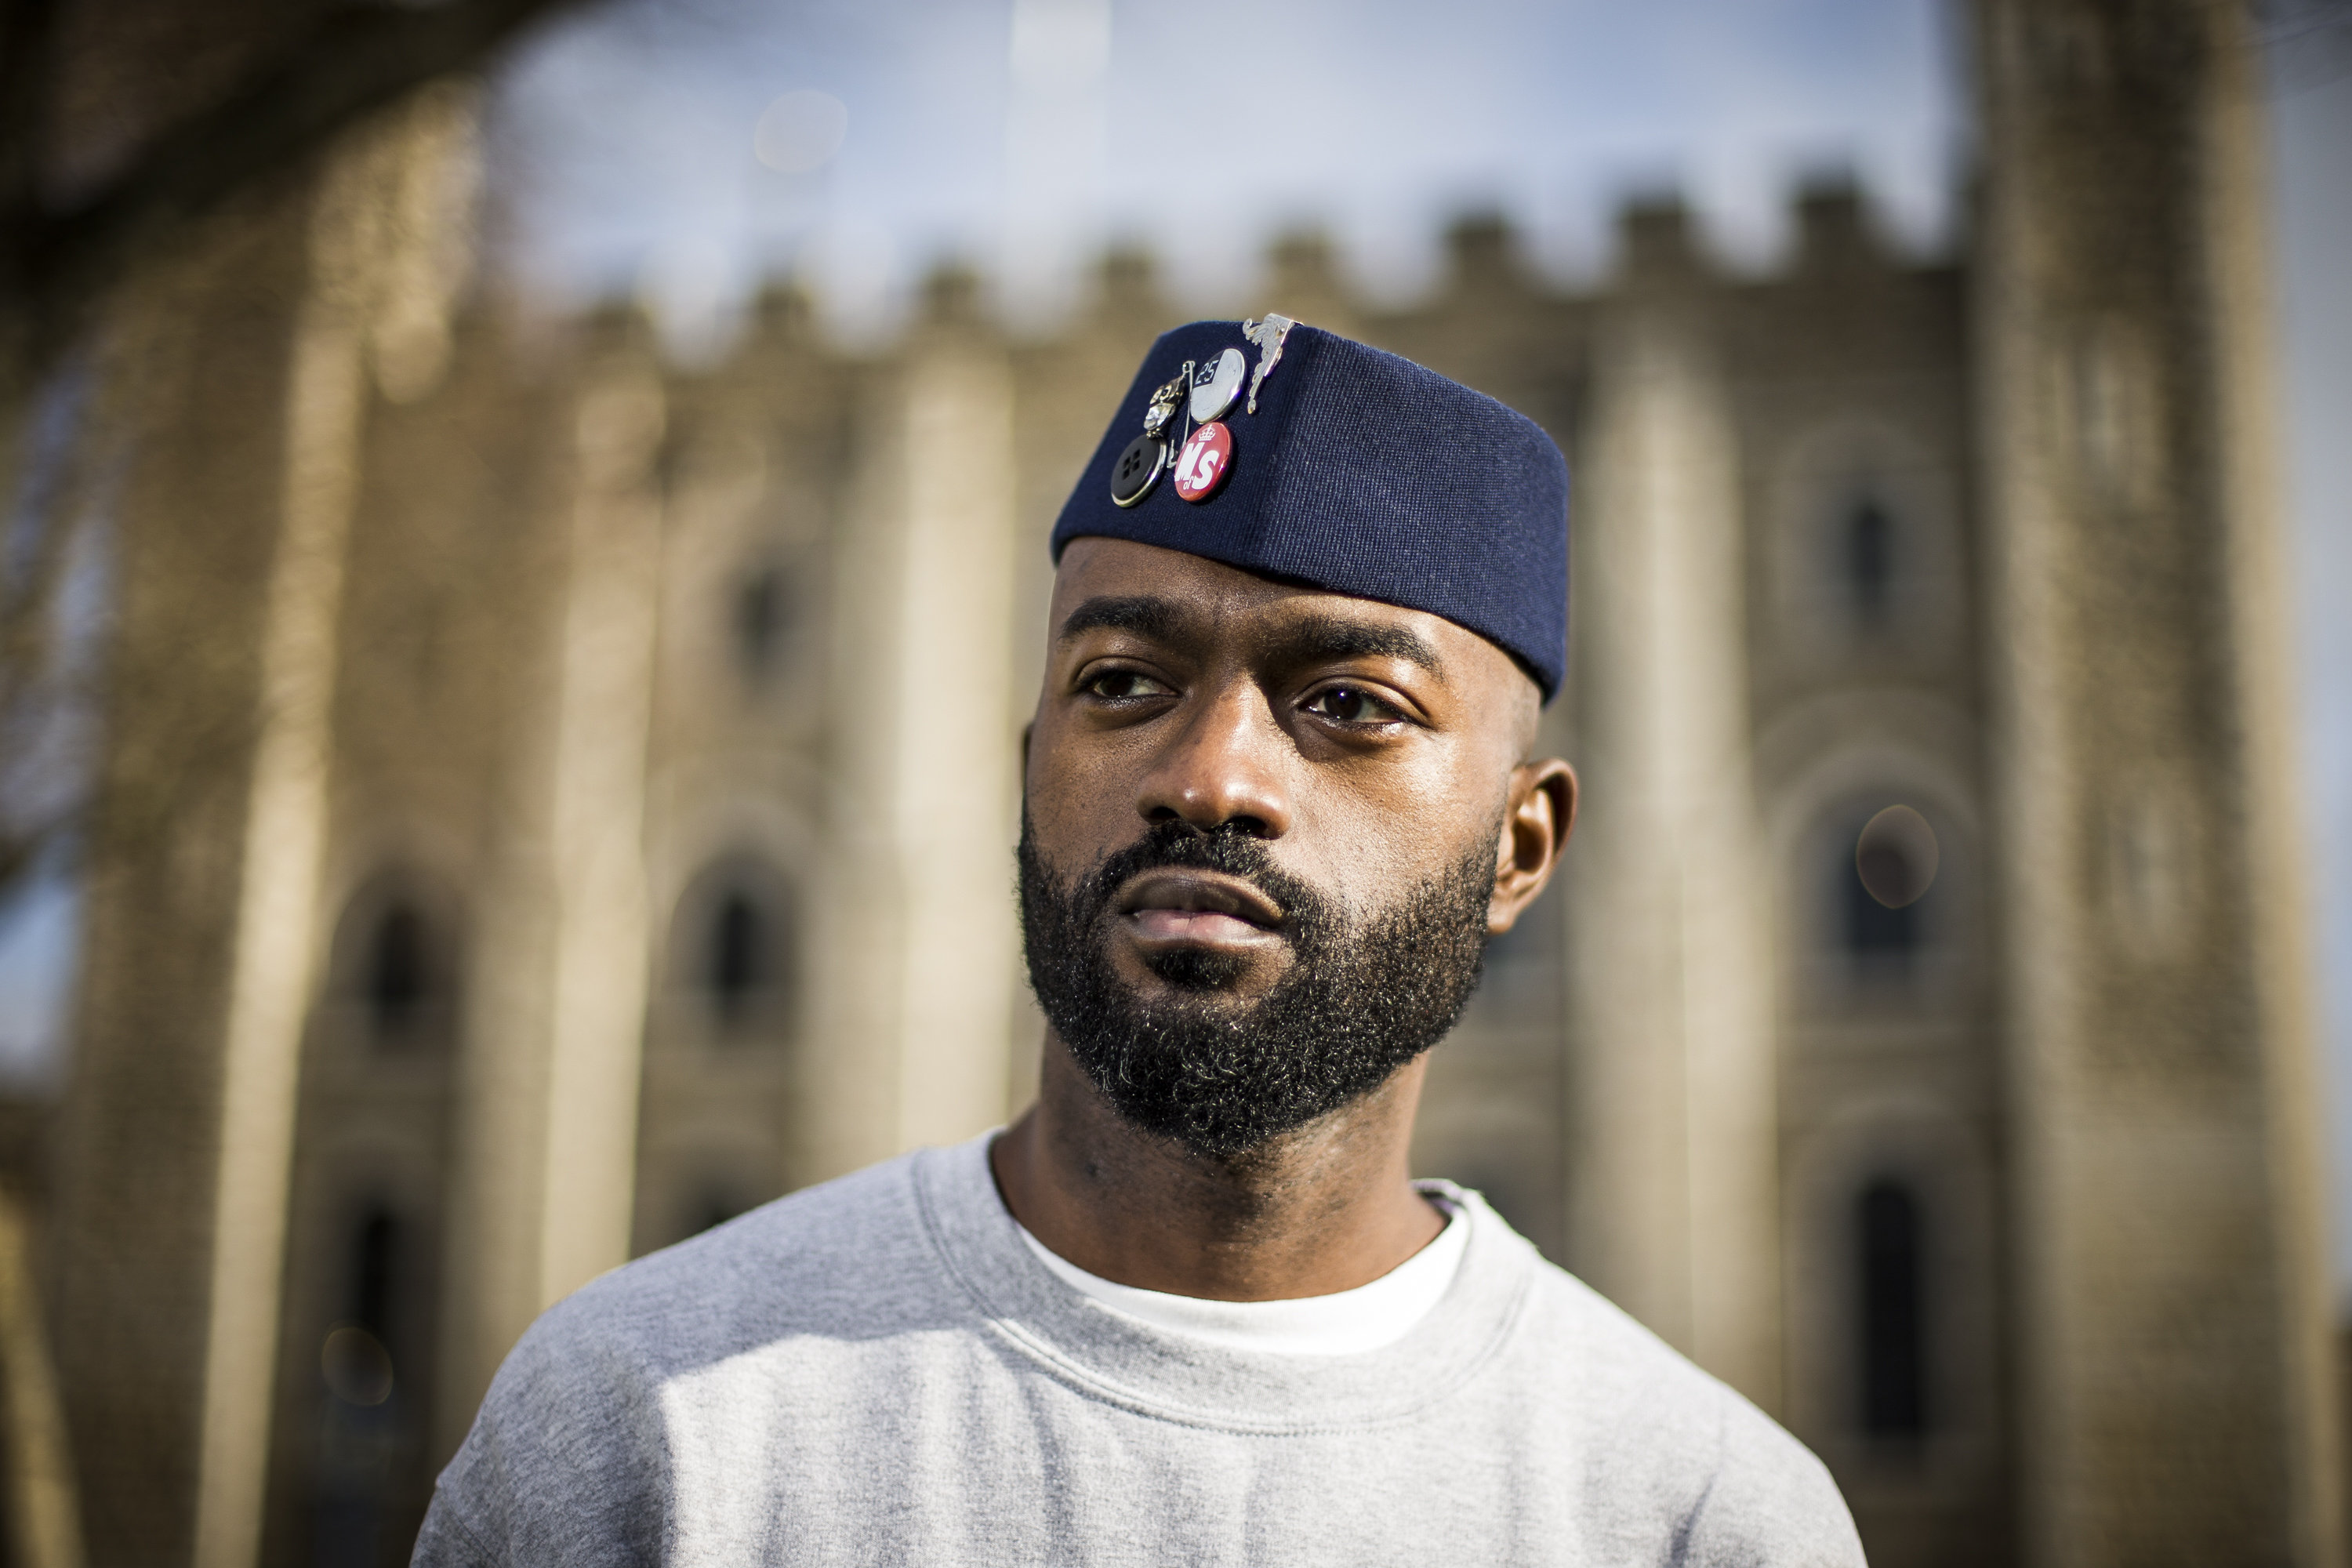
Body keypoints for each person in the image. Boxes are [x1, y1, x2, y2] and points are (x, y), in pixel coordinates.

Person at [414, 320, 1864, 1566]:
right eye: (1122, 680)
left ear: (1519, 848)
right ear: (1026, 767)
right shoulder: (639, 1425)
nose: (1212, 775)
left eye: (1349, 703)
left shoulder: (1704, 1521)